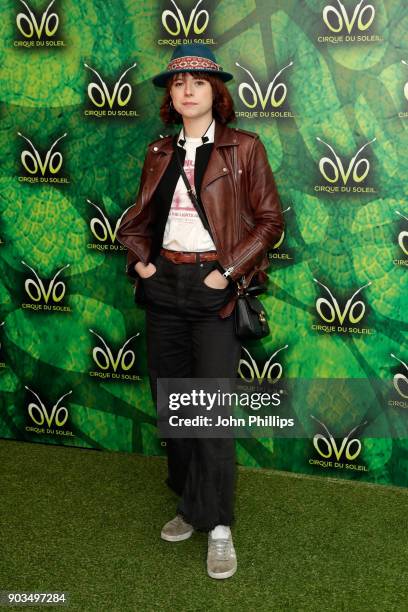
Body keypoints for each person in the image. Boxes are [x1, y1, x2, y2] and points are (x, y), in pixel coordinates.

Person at [116, 43, 283, 580]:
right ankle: (191, 505)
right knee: (175, 407)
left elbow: (270, 222)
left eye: (198, 82)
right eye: (178, 82)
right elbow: (137, 219)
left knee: (208, 411)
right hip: (165, 284)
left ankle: (218, 526)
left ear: (217, 93)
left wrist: (226, 272)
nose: (187, 90)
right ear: (171, 95)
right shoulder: (157, 152)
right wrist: (142, 264)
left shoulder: (244, 149)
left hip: (216, 285)